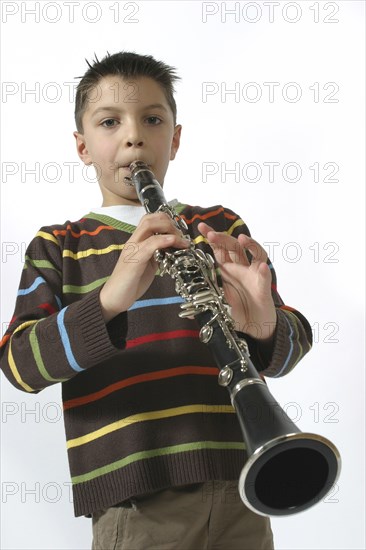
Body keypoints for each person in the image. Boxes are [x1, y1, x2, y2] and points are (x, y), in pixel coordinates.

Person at [0, 52, 313, 550]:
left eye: (152, 119)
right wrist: (108, 300)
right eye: (109, 122)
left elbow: (293, 345)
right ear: (82, 146)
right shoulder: (59, 245)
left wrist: (266, 326)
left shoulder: (219, 227)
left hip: (242, 482)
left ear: (176, 137)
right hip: (135, 497)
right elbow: (20, 366)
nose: (134, 136)